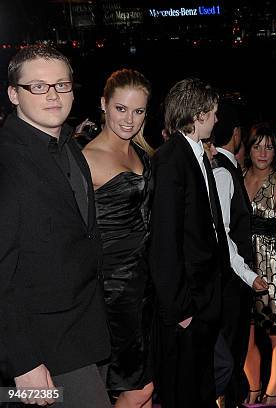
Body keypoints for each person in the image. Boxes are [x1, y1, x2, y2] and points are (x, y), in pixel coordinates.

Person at [0, 44, 111, 407]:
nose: (53, 95)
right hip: (40, 351)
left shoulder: (68, 145)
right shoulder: (7, 160)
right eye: (38, 86)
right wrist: (23, 361)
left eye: (62, 85)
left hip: (86, 336)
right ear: (14, 94)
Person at [149, 78, 230, 408]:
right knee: (184, 393)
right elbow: (164, 241)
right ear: (199, 113)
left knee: (201, 388)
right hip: (188, 305)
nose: (216, 119)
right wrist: (180, 309)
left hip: (204, 298)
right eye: (213, 112)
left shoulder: (194, 153)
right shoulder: (171, 159)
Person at [82, 69, 154, 408]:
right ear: (103, 104)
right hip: (114, 289)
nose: (130, 119)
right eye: (121, 109)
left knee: (145, 385)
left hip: (145, 285)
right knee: (139, 388)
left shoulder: (142, 152)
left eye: (138, 111)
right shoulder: (87, 160)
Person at [211, 101, 268, 407]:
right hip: (231, 281)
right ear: (236, 134)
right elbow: (222, 234)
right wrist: (248, 275)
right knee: (229, 357)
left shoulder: (226, 167)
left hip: (235, 281)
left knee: (233, 353)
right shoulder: (221, 171)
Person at [243, 125, 276, 404]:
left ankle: (273, 391)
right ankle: (253, 388)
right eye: (257, 146)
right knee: (244, 333)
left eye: (269, 147)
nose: (263, 153)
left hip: (269, 264)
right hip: (241, 265)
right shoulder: (237, 177)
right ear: (248, 149)